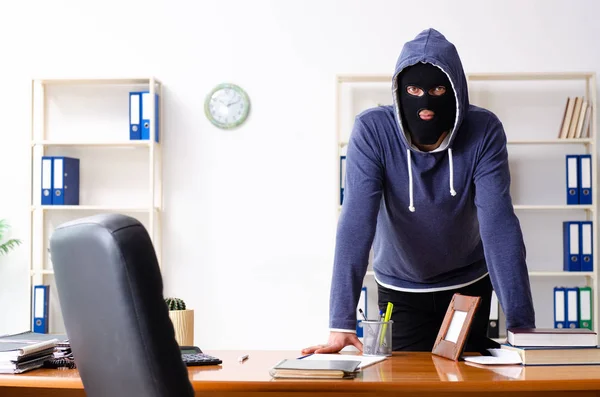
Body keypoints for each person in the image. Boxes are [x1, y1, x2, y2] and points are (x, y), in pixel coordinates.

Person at [303, 28, 536, 355]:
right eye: (413, 89)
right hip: (400, 288)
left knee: (467, 382)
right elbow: (356, 223)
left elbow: (499, 225)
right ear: (399, 92)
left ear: (455, 91)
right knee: (404, 383)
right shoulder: (373, 131)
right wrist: (340, 324)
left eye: (438, 89)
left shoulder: (484, 130)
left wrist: (521, 326)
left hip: (467, 288)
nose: (425, 103)